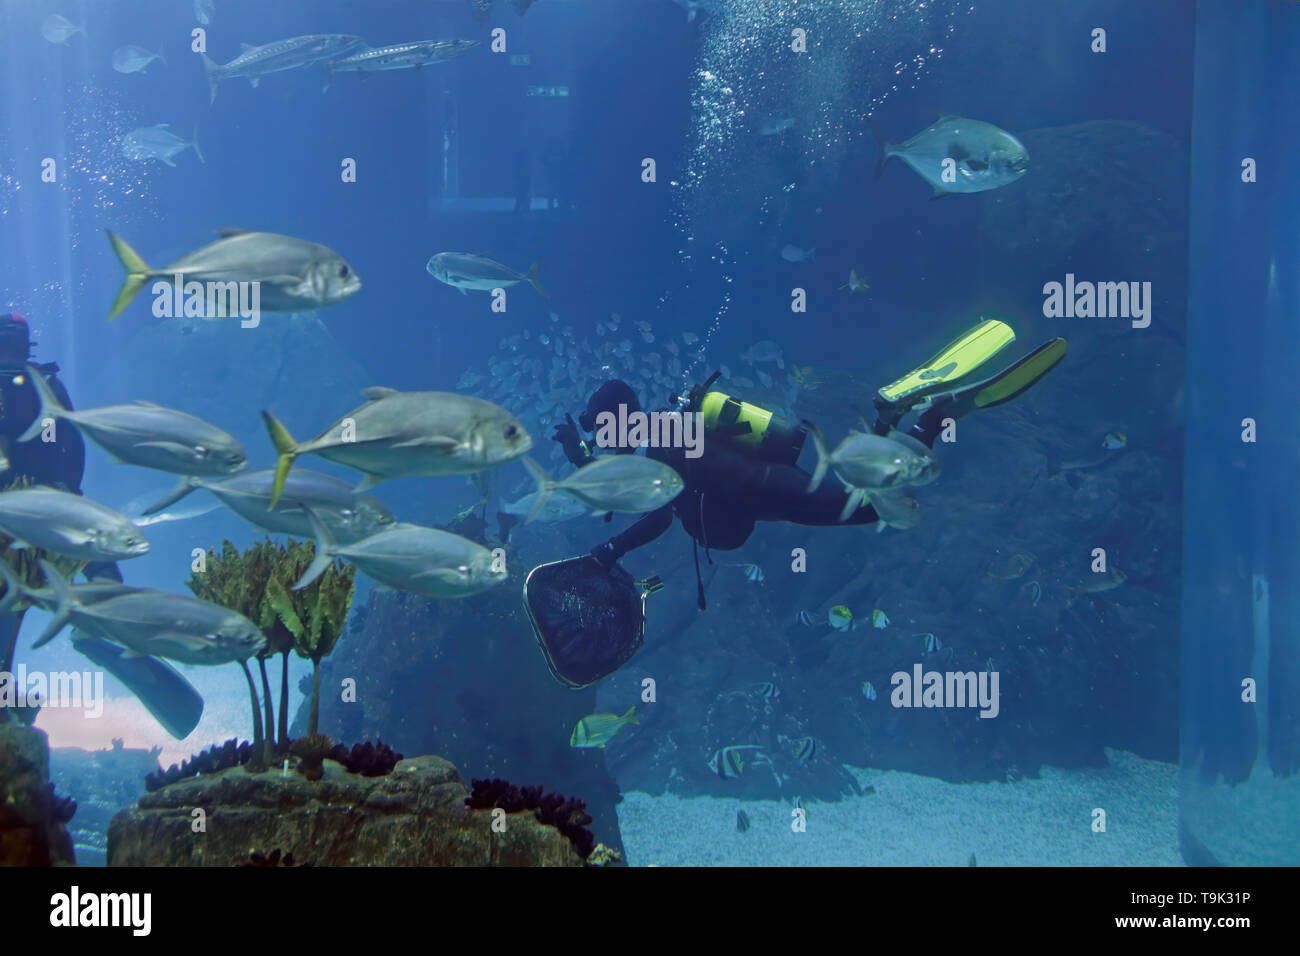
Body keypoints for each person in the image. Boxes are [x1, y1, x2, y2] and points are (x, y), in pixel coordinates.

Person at [526, 319, 1068, 685]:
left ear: (620, 420)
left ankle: (913, 417)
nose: (601, 441)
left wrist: (610, 552)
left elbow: (660, 508)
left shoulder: (663, 441)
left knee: (875, 508)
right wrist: (579, 461)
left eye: (601, 431)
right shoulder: (659, 433)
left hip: (766, 487)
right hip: (762, 494)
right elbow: (624, 483)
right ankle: (914, 421)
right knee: (872, 506)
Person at [0, 312, 203, 737]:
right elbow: (72, 459)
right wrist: (63, 499)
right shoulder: (47, 385)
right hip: (61, 515)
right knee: (101, 568)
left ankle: (8, 704)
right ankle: (101, 632)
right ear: (27, 345)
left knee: (7, 613)